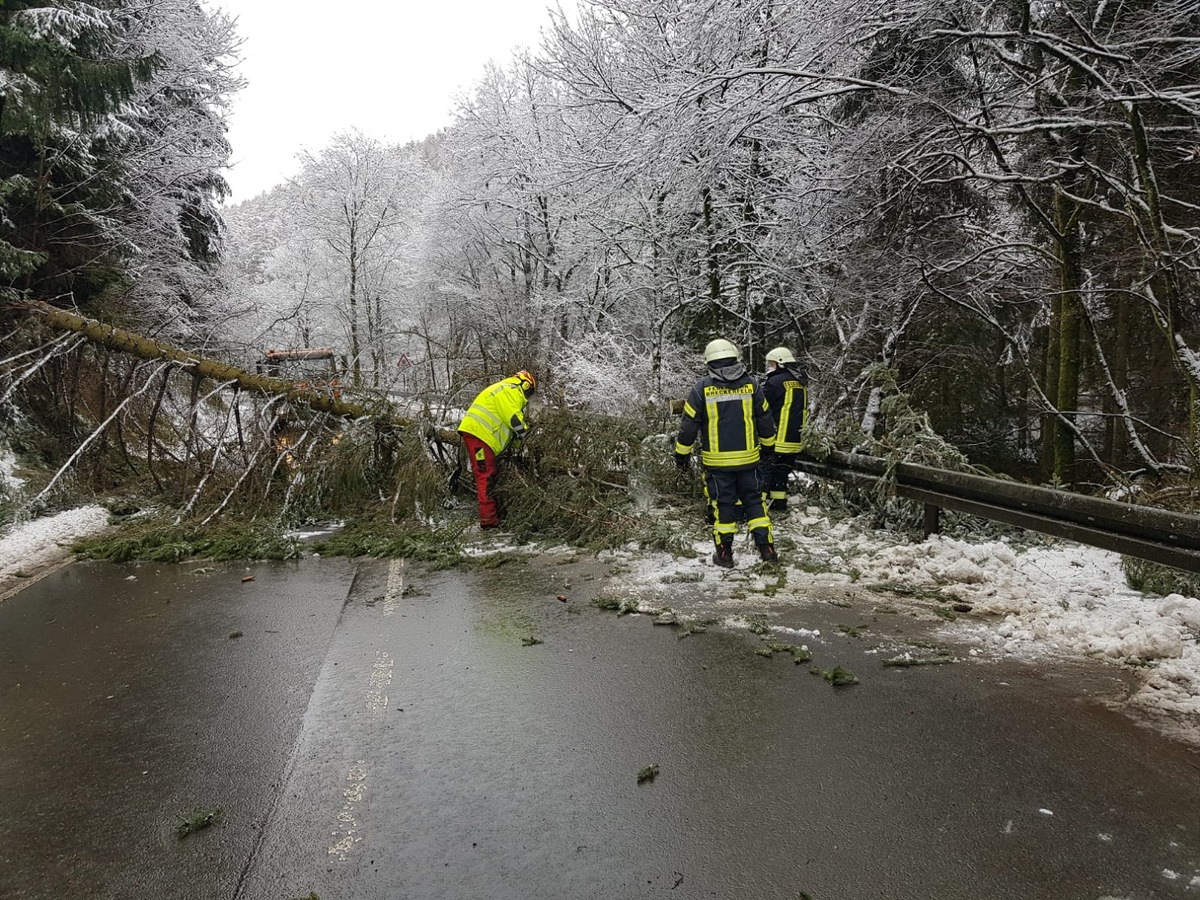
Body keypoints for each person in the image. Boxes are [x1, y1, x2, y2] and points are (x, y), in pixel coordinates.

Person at [674, 338, 778, 567]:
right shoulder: (752, 385)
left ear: (709, 363)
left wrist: (681, 454)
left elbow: (689, 425)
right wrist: (769, 447)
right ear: (735, 358)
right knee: (755, 503)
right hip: (750, 461)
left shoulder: (701, 389)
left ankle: (724, 555)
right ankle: (768, 550)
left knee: (723, 507)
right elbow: (765, 419)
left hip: (717, 464)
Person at [457, 370, 536, 529]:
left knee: (488, 474)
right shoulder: (510, 390)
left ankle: (490, 516)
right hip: (479, 435)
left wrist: (518, 448)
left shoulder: (506, 390)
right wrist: (527, 435)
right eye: (529, 393)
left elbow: (509, 430)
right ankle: (489, 521)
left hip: (481, 436)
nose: (528, 397)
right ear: (525, 385)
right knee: (485, 475)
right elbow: (513, 420)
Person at [761, 346, 809, 513]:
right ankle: (779, 504)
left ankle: (761, 506)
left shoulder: (774, 382)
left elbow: (761, 404)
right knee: (781, 472)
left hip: (777, 437)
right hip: (794, 438)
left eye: (771, 363)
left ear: (780, 363)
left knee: (766, 471)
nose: (769, 366)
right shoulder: (800, 381)